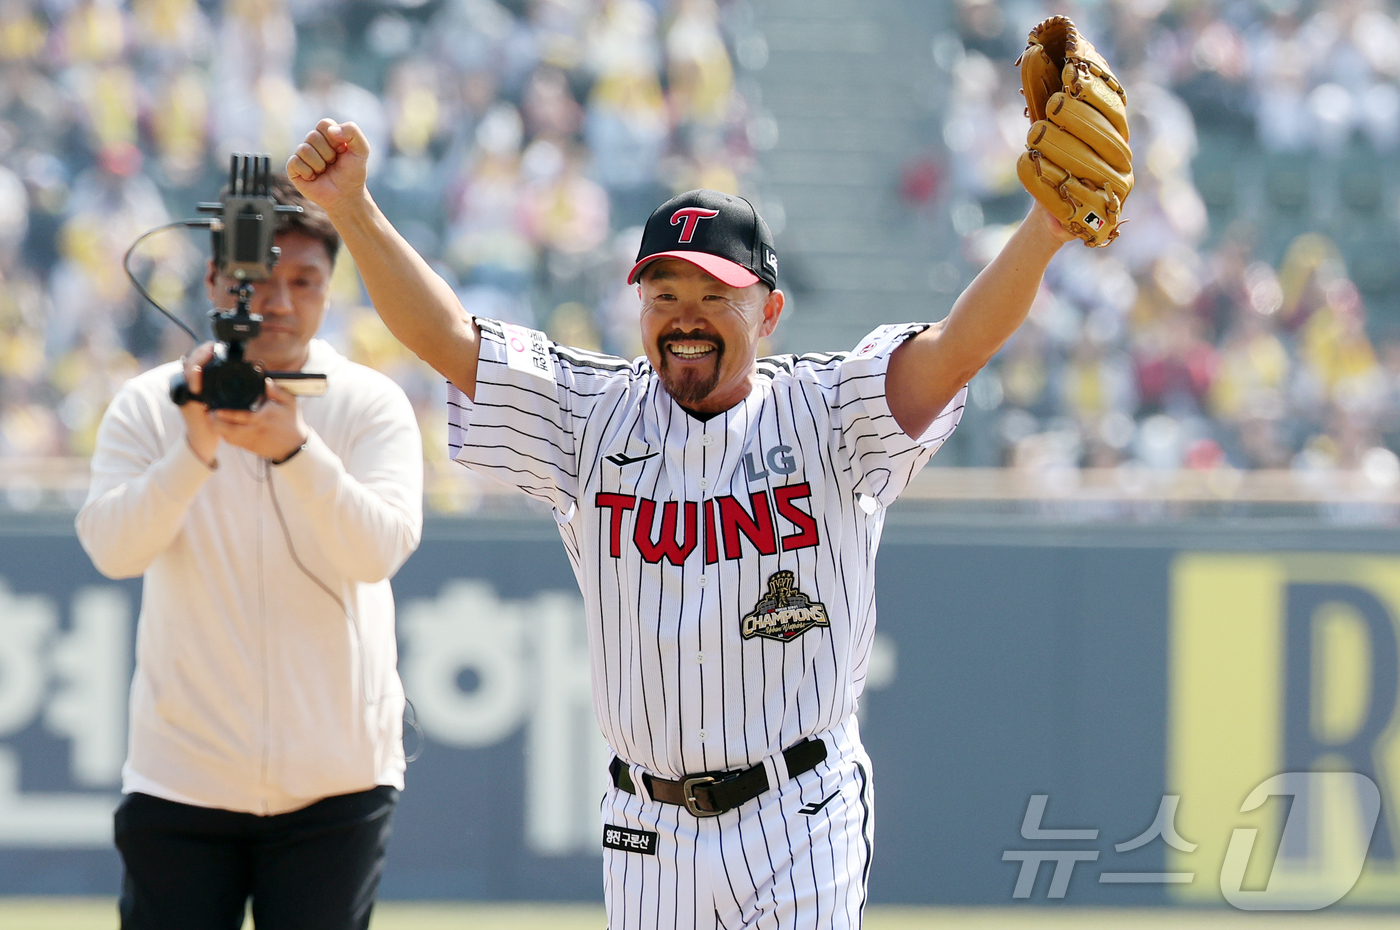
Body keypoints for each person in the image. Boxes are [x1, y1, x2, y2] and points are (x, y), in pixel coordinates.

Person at [289, 117, 1073, 929]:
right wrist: (352, 207)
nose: (686, 316)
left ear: (768, 312)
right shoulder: (592, 416)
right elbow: (450, 340)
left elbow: (955, 350)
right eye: (664, 294)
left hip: (799, 809)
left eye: (713, 295)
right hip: (647, 827)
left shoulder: (829, 412)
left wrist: (1042, 232)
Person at [76, 175, 423, 930]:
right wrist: (193, 450)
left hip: (339, 782)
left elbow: (380, 550)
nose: (277, 301)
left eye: (304, 281)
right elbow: (111, 548)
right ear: (213, 281)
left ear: (331, 291)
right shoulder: (152, 404)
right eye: (255, 279)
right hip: (182, 776)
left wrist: (297, 450)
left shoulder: (367, 403)